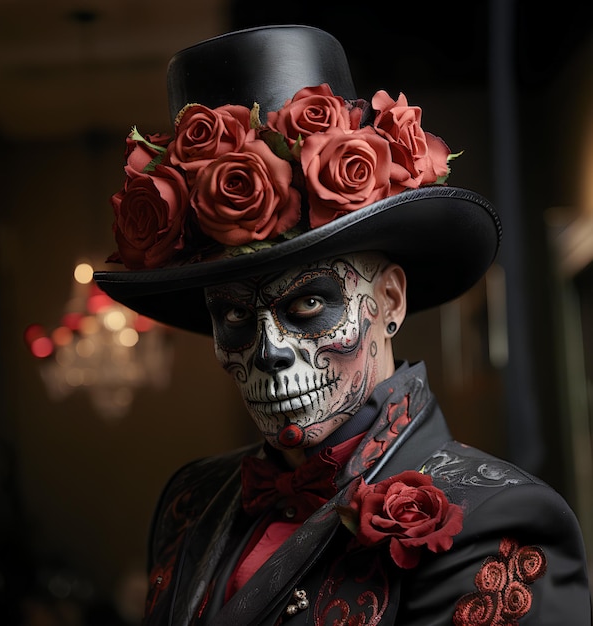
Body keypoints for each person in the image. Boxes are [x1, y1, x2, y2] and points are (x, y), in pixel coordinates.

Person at [94, 25, 592, 626]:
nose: (270, 351)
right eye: (233, 315)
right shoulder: (191, 500)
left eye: (308, 305)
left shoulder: (496, 521)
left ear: (389, 300)